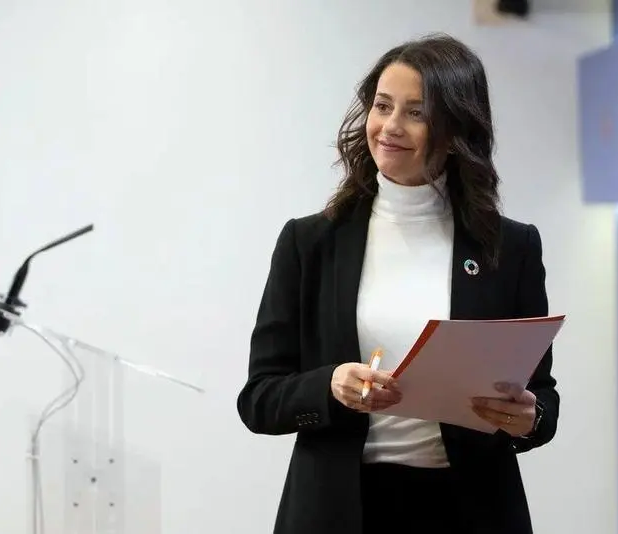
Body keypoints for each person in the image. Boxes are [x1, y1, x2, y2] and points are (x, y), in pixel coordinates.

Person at [236, 33, 560, 534]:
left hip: (471, 508)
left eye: (415, 112)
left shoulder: (509, 247)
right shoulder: (310, 242)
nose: (389, 126)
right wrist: (329, 386)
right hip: (340, 509)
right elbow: (258, 398)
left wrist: (526, 419)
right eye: (382, 106)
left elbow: (540, 398)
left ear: (455, 130)